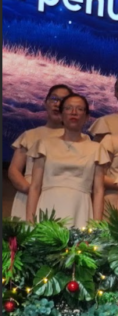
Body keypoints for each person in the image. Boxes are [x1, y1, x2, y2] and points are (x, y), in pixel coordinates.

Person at [26, 94, 109, 227]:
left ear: (87, 117)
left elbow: (99, 190)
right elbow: (35, 187)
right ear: (61, 114)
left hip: (80, 207)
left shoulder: (96, 149)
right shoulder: (44, 144)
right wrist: (30, 222)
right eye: (68, 108)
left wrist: (96, 226)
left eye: (79, 109)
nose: (74, 112)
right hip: (48, 204)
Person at [8, 84, 70, 220]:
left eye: (63, 100)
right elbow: (14, 170)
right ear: (45, 102)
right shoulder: (30, 135)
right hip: (28, 195)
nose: (57, 104)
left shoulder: (79, 139)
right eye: (54, 99)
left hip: (61, 196)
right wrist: (31, 190)